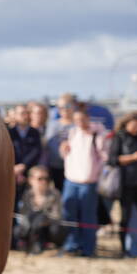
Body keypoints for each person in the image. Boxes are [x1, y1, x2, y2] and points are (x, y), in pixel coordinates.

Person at [59, 107, 107, 257]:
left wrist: (96, 173)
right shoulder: (73, 132)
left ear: (88, 118)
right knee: (69, 215)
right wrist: (63, 149)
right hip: (71, 179)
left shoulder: (97, 134)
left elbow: (104, 157)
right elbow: (67, 154)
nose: (80, 122)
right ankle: (72, 245)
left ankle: (88, 248)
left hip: (88, 181)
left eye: (82, 119)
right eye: (77, 119)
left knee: (88, 217)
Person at [108, 112, 137, 258]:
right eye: (135, 125)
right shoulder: (119, 137)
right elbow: (112, 160)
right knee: (125, 217)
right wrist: (133, 157)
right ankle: (124, 249)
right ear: (127, 123)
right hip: (125, 184)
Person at [17, 165, 64, 254]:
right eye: (40, 178)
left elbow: (56, 216)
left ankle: (45, 245)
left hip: (46, 229)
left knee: (47, 224)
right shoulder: (27, 194)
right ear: (30, 180)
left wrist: (43, 220)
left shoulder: (55, 194)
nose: (44, 182)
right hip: (30, 227)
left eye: (46, 179)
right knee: (18, 230)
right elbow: (22, 214)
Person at [9, 104, 43, 212]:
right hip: (12, 172)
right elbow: (8, 151)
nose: (25, 116)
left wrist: (23, 166)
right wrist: (15, 169)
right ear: (16, 116)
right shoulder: (9, 132)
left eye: (27, 113)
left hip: (29, 172)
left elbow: (36, 151)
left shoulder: (34, 132)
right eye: (22, 113)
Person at [45, 93, 77, 191]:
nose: (64, 109)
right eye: (60, 107)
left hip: (76, 166)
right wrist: (64, 155)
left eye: (67, 106)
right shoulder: (53, 125)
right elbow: (51, 143)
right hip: (57, 166)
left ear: (73, 106)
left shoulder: (79, 124)